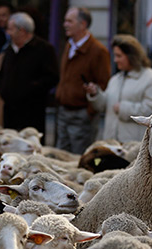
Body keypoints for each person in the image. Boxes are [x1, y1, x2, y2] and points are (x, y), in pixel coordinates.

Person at [84, 35, 152, 143]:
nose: (115, 60)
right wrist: (95, 94)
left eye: (119, 56)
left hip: (133, 145)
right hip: (111, 143)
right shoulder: (116, 79)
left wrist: (124, 109)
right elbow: (104, 106)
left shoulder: (151, 79)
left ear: (131, 56)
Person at [55, 7, 111, 154]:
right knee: (60, 158)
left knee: (77, 159)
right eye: (65, 20)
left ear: (83, 24)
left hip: (81, 116)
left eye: (69, 21)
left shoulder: (98, 51)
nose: (65, 24)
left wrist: (89, 112)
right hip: (63, 112)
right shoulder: (69, 45)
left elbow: (104, 84)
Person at [0, 12, 58, 135]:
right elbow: (2, 74)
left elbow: (52, 78)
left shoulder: (44, 49)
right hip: (10, 111)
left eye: (11, 29)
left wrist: (30, 89)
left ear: (22, 31)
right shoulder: (10, 49)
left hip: (32, 113)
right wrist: (2, 89)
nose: (8, 32)